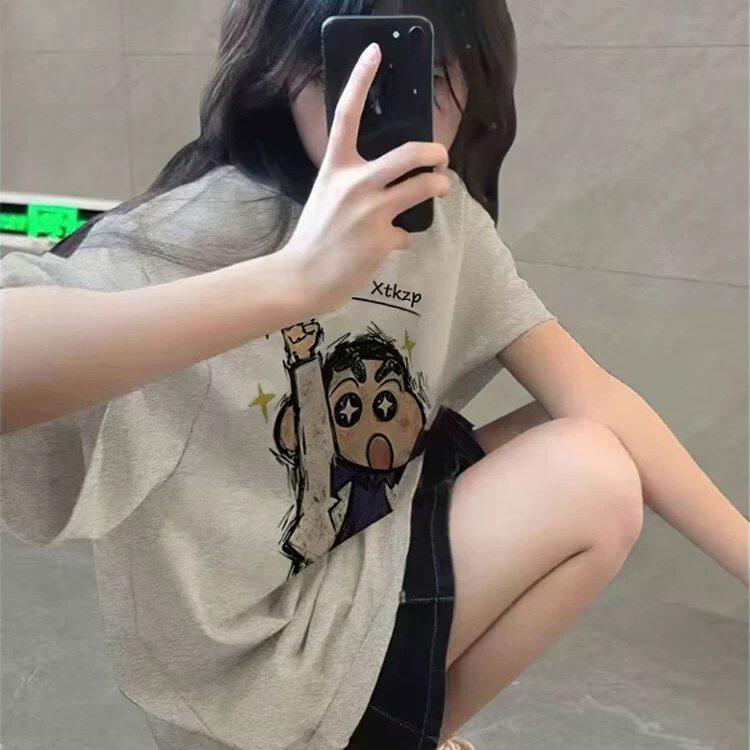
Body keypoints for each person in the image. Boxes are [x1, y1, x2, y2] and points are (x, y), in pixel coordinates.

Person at [1, 1, 747, 749]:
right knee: (590, 472)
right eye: (343, 72)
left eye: (428, 73)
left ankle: (412, 736)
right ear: (281, 74)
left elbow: (597, 397)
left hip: (360, 570)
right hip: (253, 662)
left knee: (583, 434)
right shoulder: (217, 223)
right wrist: (293, 281)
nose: (384, 105)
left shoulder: (449, 228)